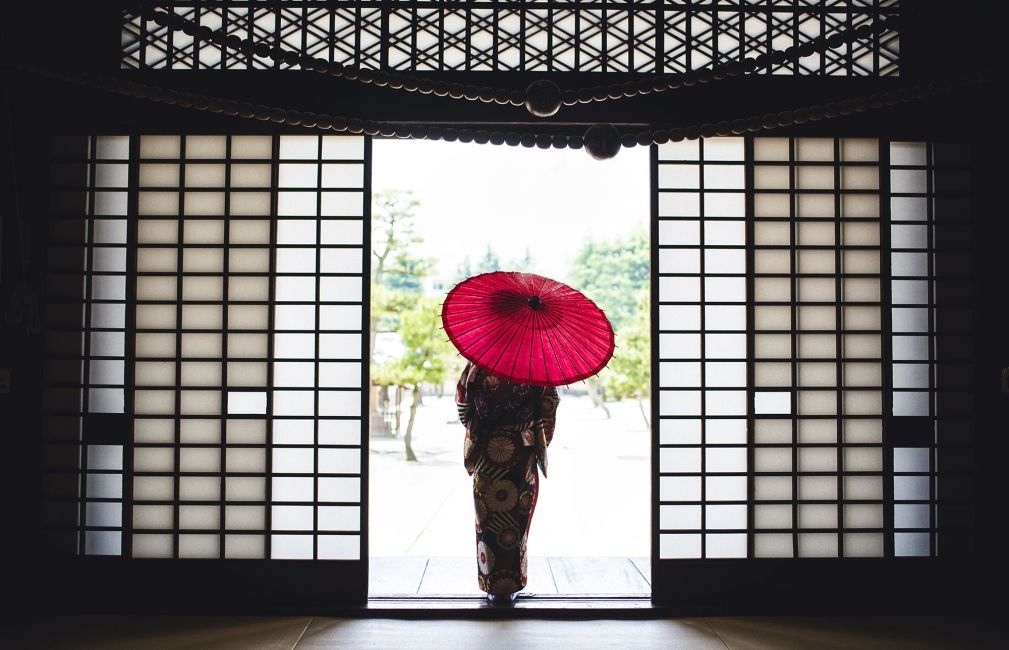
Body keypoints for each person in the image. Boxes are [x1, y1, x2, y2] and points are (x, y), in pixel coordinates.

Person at [455, 361, 560, 605]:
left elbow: (463, 404)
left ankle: (493, 585)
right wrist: (530, 432)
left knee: (488, 520)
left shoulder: (478, 363)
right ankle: (510, 584)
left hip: (488, 453)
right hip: (520, 456)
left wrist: (481, 427)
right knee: (516, 522)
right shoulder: (536, 363)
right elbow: (548, 408)